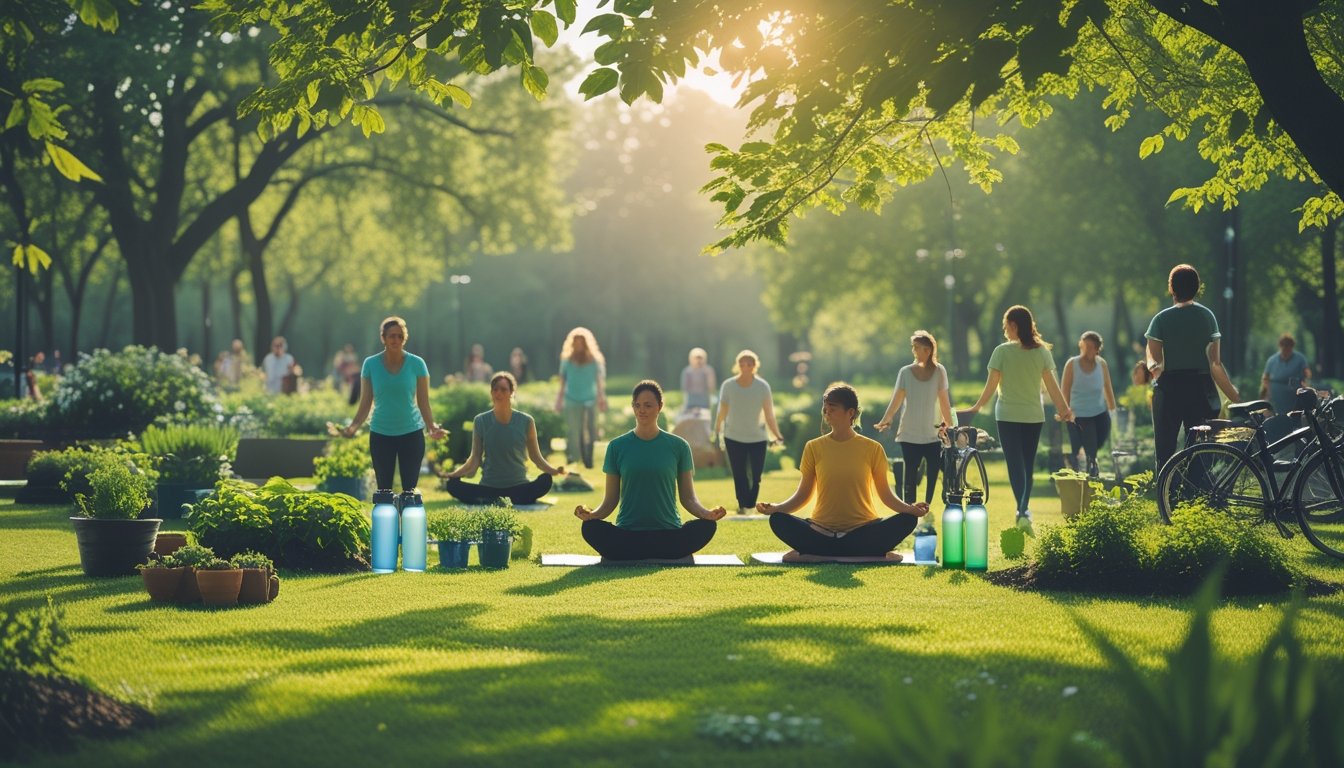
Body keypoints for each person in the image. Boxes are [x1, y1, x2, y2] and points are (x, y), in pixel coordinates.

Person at [756, 383, 929, 561]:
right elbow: (803, 494)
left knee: (908, 520)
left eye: (832, 408)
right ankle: (862, 553)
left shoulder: (873, 449)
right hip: (821, 531)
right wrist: (777, 508)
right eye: (825, 409)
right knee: (777, 520)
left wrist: (910, 509)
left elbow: (885, 495)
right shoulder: (813, 447)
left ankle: (819, 554)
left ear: (851, 412)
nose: (826, 413)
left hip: (862, 530)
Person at [575, 380, 726, 560]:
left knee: (707, 526)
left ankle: (640, 552)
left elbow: (688, 498)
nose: (642, 410)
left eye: (648, 405)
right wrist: (592, 515)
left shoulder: (679, 446)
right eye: (637, 405)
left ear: (660, 406)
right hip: (628, 534)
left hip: (668, 534)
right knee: (590, 528)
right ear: (633, 407)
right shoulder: (616, 447)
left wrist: (706, 514)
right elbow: (610, 501)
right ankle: (649, 551)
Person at [965, 305, 1073, 535]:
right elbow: (1052, 386)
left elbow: (991, 387)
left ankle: (1021, 509)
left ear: (1014, 325)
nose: (1004, 330)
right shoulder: (1042, 352)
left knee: (1015, 465)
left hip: (1007, 416)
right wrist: (1064, 409)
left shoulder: (1001, 352)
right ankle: (1023, 509)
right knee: (1027, 465)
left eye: (1006, 326)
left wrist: (976, 406)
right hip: (1033, 416)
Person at [331, 317, 447, 491]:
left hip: (411, 432)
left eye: (400, 336)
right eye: (392, 336)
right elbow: (365, 403)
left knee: (409, 491)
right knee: (384, 490)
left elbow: (423, 402)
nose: (396, 340)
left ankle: (407, 517)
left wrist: (431, 427)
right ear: (383, 338)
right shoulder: (370, 364)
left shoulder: (417, 364)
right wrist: (352, 428)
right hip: (381, 433)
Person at [1145, 264, 1239, 472]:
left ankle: (1166, 497)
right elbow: (1215, 363)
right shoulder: (1207, 317)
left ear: (1172, 288)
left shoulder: (1161, 319)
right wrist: (1234, 395)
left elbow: (1153, 357)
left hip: (1169, 386)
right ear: (1197, 288)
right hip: (1201, 388)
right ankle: (1199, 497)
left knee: (1165, 451)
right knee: (1201, 449)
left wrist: (1156, 371)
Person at [443, 372, 566, 504]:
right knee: (453, 485)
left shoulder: (526, 421)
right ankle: (500, 499)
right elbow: (474, 459)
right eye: (495, 389)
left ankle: (497, 500)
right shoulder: (480, 421)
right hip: (489, 487)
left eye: (503, 389)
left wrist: (553, 471)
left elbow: (535, 457)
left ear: (512, 392)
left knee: (546, 480)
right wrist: (454, 475)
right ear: (491, 392)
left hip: (519, 487)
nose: (498, 393)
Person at [875, 331, 955, 525]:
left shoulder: (939, 372)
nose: (914, 350)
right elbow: (897, 399)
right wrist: (886, 419)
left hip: (932, 433)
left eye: (917, 347)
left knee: (934, 470)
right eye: (913, 347)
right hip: (909, 433)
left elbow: (945, 401)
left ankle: (926, 507)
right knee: (910, 472)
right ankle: (909, 512)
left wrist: (950, 426)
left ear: (928, 350)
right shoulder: (905, 372)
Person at [713, 350, 785, 514]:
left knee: (756, 476)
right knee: (739, 475)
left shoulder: (762, 386)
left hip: (757, 438)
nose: (746, 367)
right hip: (733, 436)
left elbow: (769, 414)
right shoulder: (728, 386)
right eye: (742, 364)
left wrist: (777, 435)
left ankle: (750, 504)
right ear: (737, 366)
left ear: (755, 366)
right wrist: (716, 431)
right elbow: (722, 411)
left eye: (749, 364)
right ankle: (743, 505)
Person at [1061, 331, 1118, 477]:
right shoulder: (1072, 364)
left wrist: (1114, 413)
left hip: (1099, 413)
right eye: (1084, 345)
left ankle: (1088, 462)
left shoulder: (1102, 365)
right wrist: (1065, 413)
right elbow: (1064, 391)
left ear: (1097, 349)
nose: (1086, 349)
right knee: (1089, 440)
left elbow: (1108, 390)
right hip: (1078, 415)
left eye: (1090, 347)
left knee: (1098, 435)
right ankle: (1091, 469)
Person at [554, 327, 607, 469]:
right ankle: (573, 459)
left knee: (592, 430)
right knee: (573, 430)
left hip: (591, 398)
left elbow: (599, 382)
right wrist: (558, 401)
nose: (578, 346)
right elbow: (562, 383)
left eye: (580, 343)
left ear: (585, 344)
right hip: (572, 399)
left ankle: (590, 459)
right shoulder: (566, 361)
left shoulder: (594, 361)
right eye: (575, 343)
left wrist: (602, 398)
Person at [1260, 333, 1311, 416]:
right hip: (1276, 396)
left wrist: (1305, 387)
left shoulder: (1300, 359)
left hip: (1294, 396)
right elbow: (1265, 378)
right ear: (1280, 345)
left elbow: (1307, 374)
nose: (1285, 347)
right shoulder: (1272, 360)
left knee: (1294, 418)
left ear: (1292, 346)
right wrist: (1268, 393)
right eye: (1283, 345)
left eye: (1288, 345)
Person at [680, 347, 717, 412]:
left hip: (704, 399)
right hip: (691, 399)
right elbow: (684, 387)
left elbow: (711, 386)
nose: (698, 361)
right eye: (696, 358)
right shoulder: (687, 371)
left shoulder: (708, 370)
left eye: (700, 358)